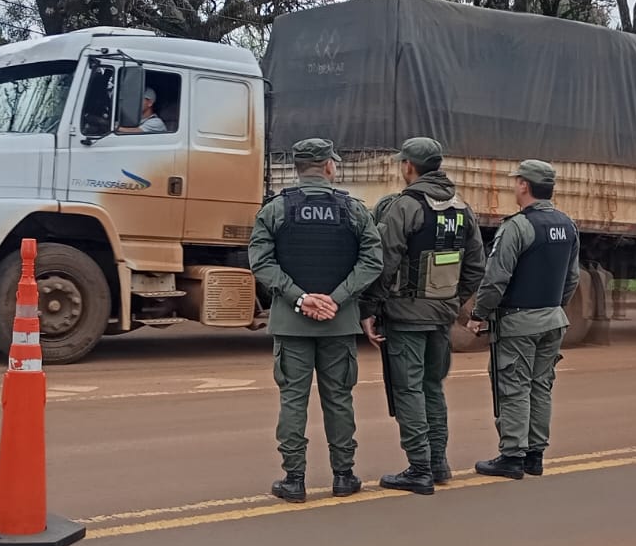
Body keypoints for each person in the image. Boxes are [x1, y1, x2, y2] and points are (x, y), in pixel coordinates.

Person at [249, 138, 383, 502]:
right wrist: (336, 300)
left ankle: (294, 480)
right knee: (338, 398)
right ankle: (344, 476)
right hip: (338, 324)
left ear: (297, 168)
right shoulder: (353, 210)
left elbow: (261, 261)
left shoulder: (276, 209)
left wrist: (301, 297)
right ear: (328, 166)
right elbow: (372, 261)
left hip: (291, 323)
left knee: (293, 399)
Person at [360, 138, 486, 495]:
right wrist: (451, 300)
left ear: (408, 167)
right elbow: (477, 266)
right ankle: (438, 463)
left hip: (405, 315)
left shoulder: (405, 206)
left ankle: (418, 468)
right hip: (441, 315)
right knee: (433, 386)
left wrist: (370, 308)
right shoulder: (463, 208)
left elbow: (385, 263)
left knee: (409, 389)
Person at [469, 160, 580, 480]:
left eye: (516, 181)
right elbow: (571, 278)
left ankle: (512, 456)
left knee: (513, 386)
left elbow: (495, 280)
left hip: (518, 322)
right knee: (540, 386)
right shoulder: (567, 225)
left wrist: (479, 314)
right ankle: (534, 455)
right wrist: (555, 308)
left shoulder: (518, 226)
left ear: (524, 186)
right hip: (552, 320)